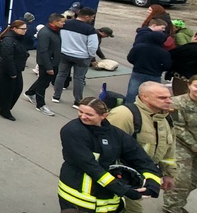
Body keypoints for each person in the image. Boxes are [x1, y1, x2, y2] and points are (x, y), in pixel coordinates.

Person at [58, 97, 162, 212]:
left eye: (89, 114)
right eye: (80, 112)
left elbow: (139, 157)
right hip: (78, 200)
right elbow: (90, 166)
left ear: (103, 116)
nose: (83, 116)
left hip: (108, 201)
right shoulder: (72, 131)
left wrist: (152, 182)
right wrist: (123, 190)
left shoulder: (115, 134)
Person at [107, 81, 177, 213]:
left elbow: (169, 149)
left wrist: (169, 174)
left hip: (142, 177)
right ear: (144, 97)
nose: (169, 101)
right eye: (162, 98)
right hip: (123, 177)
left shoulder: (166, 118)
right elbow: (107, 148)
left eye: (169, 97)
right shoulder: (123, 115)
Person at [53, 7, 100, 106]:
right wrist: (91, 56)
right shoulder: (90, 29)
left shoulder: (66, 24)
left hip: (65, 54)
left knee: (61, 75)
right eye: (92, 17)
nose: (92, 19)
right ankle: (77, 101)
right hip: (82, 57)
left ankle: (56, 96)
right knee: (79, 78)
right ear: (86, 16)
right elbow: (93, 46)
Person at [167, 75, 197, 212]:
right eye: (196, 86)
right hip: (181, 145)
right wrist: (194, 146)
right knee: (181, 179)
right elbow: (177, 127)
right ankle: (172, 208)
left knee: (193, 179)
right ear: (189, 85)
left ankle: (177, 202)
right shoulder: (177, 103)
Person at [25, 13, 65, 116]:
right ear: (55, 22)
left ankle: (30, 92)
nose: (64, 24)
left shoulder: (55, 31)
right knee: (43, 84)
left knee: (43, 80)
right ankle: (40, 105)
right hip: (47, 64)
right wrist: (48, 67)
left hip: (53, 62)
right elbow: (43, 51)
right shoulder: (46, 33)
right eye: (62, 22)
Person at [125, 18, 172, 102]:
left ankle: (129, 108)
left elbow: (130, 58)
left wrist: (137, 64)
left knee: (132, 93)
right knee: (152, 94)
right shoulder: (164, 52)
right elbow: (167, 66)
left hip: (138, 72)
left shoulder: (139, 47)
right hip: (155, 75)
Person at [0, 20, 30, 121]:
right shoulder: (8, 40)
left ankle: (0, 102)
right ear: (14, 28)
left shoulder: (18, 38)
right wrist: (12, 73)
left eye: (26, 29)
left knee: (16, 89)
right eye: (22, 29)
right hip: (8, 70)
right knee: (8, 91)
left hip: (16, 68)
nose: (25, 31)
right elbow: (7, 57)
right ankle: (4, 110)